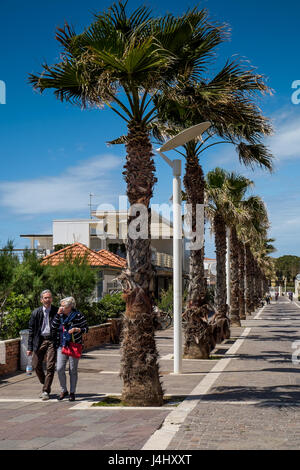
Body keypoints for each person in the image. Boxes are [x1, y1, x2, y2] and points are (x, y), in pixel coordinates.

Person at [51, 296, 88, 401]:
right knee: (59, 368)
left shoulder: (78, 316)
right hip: (62, 345)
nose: (61, 308)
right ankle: (64, 390)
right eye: (61, 306)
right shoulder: (59, 315)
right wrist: (58, 314)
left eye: (63, 306)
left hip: (74, 345)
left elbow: (86, 329)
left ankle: (72, 392)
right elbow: (53, 327)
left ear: (70, 307)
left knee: (73, 370)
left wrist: (77, 329)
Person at [26, 290, 58, 400]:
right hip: (40, 341)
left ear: (52, 299)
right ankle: (46, 383)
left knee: (50, 365)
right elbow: (31, 331)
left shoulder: (56, 311)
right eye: (45, 298)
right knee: (36, 364)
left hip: (52, 340)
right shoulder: (36, 313)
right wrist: (29, 347)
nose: (47, 300)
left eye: (49, 297)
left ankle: (45, 391)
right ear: (41, 300)